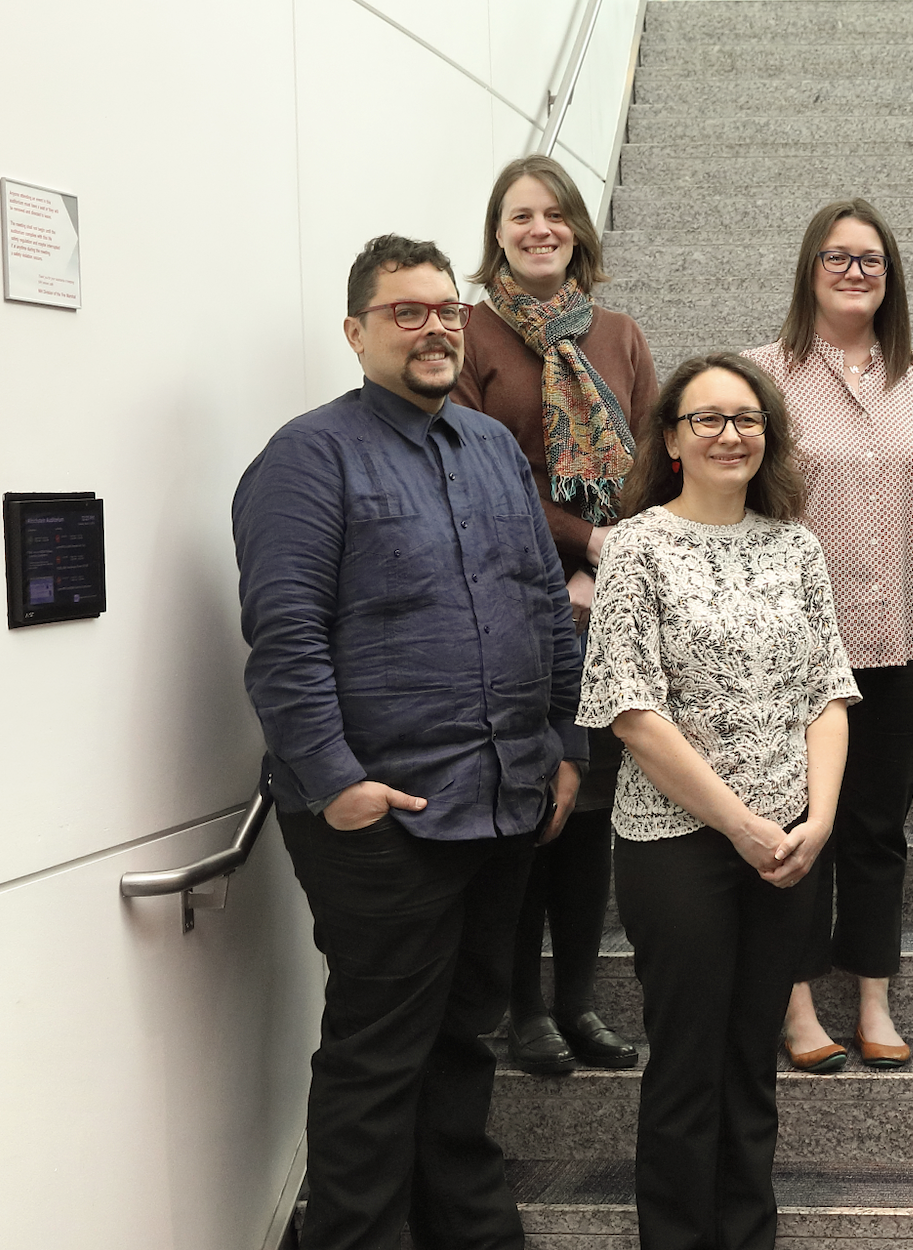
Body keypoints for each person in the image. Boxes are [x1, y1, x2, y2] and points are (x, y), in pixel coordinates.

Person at [233, 234, 586, 1250]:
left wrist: (565, 743)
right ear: (356, 331)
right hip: (381, 816)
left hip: (504, 798)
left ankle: (466, 1227)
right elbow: (285, 638)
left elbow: (543, 606)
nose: (435, 326)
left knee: (464, 1039)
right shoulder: (307, 456)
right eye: (406, 311)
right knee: (378, 1055)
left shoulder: (485, 447)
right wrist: (339, 783)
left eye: (445, 309)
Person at [577, 352, 859, 1250]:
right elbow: (632, 711)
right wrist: (741, 827)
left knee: (751, 1062)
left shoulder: (796, 544)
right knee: (690, 1064)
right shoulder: (638, 548)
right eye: (708, 419)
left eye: (746, 419)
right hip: (679, 847)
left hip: (790, 848)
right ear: (670, 439)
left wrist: (816, 821)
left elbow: (827, 693)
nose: (730, 434)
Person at [743, 198, 913, 1074]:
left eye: (870, 259)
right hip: (795, 644)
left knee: (878, 823)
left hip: (906, 635)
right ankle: (796, 1001)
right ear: (809, 269)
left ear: (891, 277)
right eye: (836, 257)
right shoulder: (764, 377)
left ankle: (873, 990)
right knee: (799, 821)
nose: (854, 271)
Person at [454, 154, 657, 1076]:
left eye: (555, 213)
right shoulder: (468, 336)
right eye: (519, 215)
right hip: (507, 609)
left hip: (610, 614)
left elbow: (656, 466)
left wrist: (614, 564)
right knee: (530, 810)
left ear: (578, 227)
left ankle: (578, 1002)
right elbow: (474, 473)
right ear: (495, 232)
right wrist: (581, 549)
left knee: (594, 814)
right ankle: (522, 1007)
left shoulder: (617, 335)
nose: (539, 228)